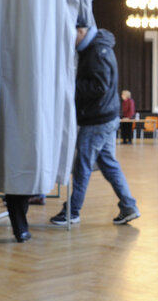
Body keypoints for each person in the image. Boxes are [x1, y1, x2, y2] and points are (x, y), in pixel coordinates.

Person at [50, 24, 140, 226]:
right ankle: (128, 206)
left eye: (72, 36)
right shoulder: (100, 46)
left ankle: (72, 212)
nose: (71, 41)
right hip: (106, 116)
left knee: (82, 166)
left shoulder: (96, 51)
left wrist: (70, 85)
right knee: (109, 164)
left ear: (81, 31)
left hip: (97, 120)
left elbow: (100, 86)